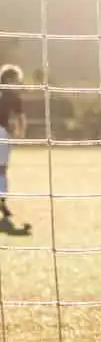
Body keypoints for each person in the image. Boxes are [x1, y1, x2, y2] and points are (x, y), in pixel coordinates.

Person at [0, 65, 28, 234]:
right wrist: (21, 133)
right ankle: (2, 203)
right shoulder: (13, 96)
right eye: (16, 79)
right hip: (2, 133)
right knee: (1, 170)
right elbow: (20, 117)